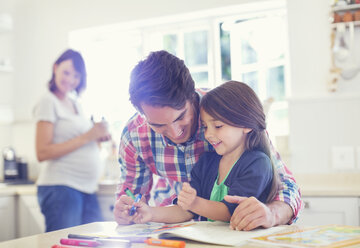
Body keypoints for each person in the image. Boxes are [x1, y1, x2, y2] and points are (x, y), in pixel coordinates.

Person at [113, 50, 302, 230]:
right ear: (142, 114)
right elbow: (134, 196)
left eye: (180, 117)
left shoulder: (227, 110)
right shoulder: (135, 135)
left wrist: (272, 214)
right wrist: (127, 211)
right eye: (158, 125)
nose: (174, 132)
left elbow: (285, 185)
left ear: (192, 96)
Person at [119, 80, 282, 224]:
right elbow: (184, 210)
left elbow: (230, 212)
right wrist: (151, 213)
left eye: (217, 126)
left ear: (247, 125)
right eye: (204, 127)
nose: (208, 134)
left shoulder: (257, 163)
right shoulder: (207, 162)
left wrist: (194, 203)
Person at [34, 49, 111, 232]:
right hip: (62, 188)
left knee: (97, 241)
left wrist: (98, 136)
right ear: (55, 68)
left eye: (76, 75)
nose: (70, 79)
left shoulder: (75, 103)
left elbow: (82, 141)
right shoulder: (48, 101)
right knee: (65, 244)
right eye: (66, 72)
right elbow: (42, 152)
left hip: (86, 188)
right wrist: (88, 136)